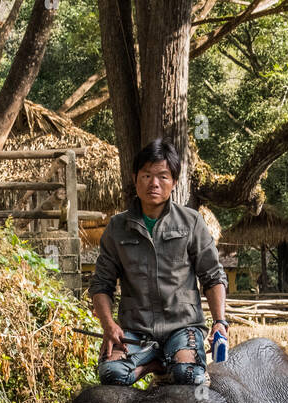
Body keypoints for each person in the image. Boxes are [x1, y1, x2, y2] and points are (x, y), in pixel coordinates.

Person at [90, 138, 229, 387]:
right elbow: (101, 284)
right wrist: (109, 325)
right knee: (111, 374)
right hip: (136, 331)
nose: (154, 183)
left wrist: (220, 321)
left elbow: (213, 276)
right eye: (146, 175)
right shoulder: (117, 227)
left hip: (183, 327)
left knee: (189, 375)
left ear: (173, 182)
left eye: (163, 176)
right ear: (135, 178)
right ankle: (156, 363)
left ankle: (174, 361)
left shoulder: (192, 222)